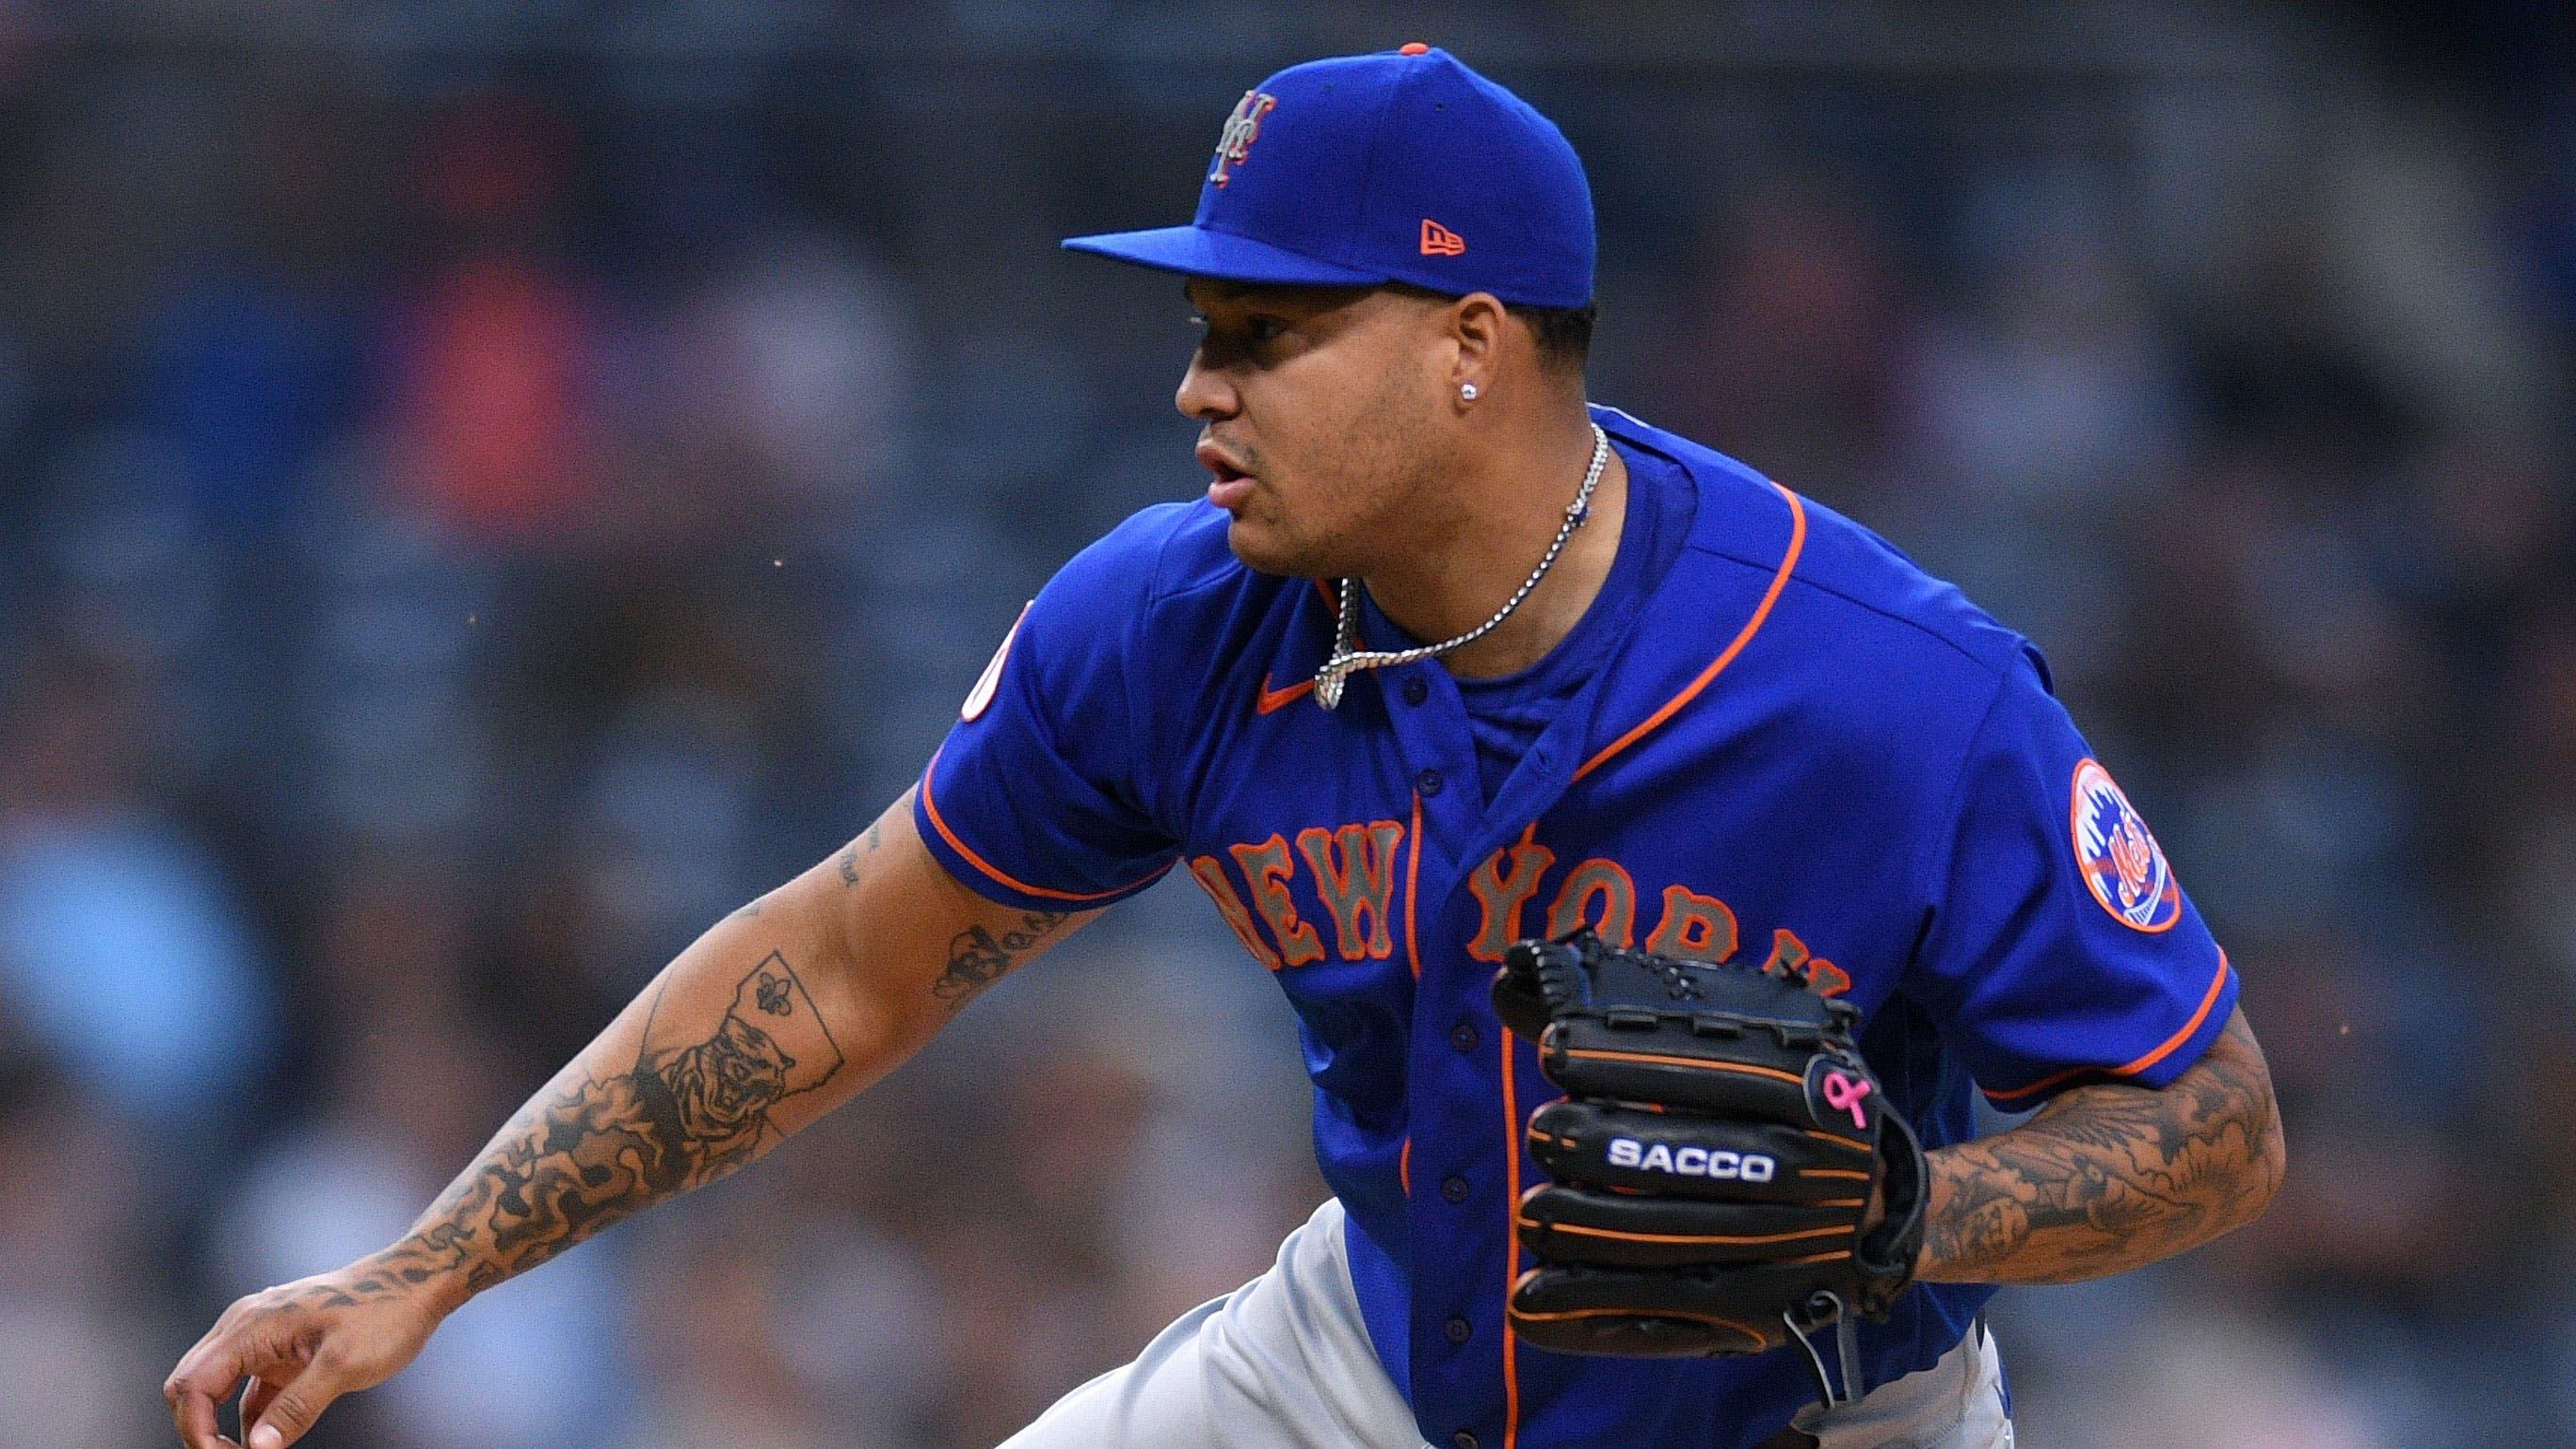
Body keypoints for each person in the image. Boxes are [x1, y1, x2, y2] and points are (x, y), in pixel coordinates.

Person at [165, 44, 2286, 1449]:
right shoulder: (1180, 619)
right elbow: (848, 960)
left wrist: (1905, 1202)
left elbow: (2216, 1123)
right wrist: (424, 1260)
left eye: (1266, 334)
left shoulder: (1883, 689)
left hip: (1811, 1416)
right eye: (1200, 330)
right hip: (1371, 1359)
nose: (1202, 386)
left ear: (1471, 347)